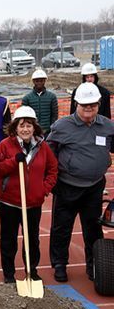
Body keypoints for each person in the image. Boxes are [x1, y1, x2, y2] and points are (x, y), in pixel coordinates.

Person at [47, 82, 114, 282]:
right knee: (61, 228)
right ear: (76, 104)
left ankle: (94, 265)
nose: (88, 108)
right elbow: (49, 153)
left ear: (99, 104)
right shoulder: (61, 126)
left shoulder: (108, 126)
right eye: (85, 105)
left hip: (94, 187)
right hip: (67, 186)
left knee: (93, 229)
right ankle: (59, 264)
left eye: (92, 105)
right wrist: (54, 180)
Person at [0, 106, 58, 283]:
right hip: (9, 202)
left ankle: (31, 269)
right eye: (21, 125)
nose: (25, 129)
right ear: (15, 127)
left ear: (34, 127)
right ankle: (9, 274)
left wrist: (43, 189)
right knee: (9, 239)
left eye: (29, 125)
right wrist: (14, 161)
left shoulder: (43, 147)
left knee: (32, 239)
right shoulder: (5, 145)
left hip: (33, 203)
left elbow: (53, 169)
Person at [21, 70, 59, 135]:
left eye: (41, 80)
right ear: (33, 81)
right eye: (37, 81)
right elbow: (25, 117)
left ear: (44, 81)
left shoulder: (52, 97)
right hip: (32, 132)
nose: (39, 83)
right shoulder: (27, 98)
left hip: (47, 132)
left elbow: (54, 115)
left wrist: (51, 128)